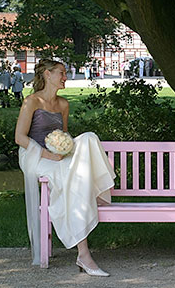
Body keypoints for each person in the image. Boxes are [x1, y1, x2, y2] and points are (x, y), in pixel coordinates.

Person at [15, 59, 116, 276]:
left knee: (89, 137)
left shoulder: (63, 104)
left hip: (58, 154)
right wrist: (48, 154)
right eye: (61, 73)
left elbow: (66, 134)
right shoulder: (31, 101)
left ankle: (96, 192)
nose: (65, 77)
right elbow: (20, 138)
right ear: (47, 75)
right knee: (67, 178)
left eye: (65, 73)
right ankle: (84, 253)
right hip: (35, 155)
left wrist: (64, 147)